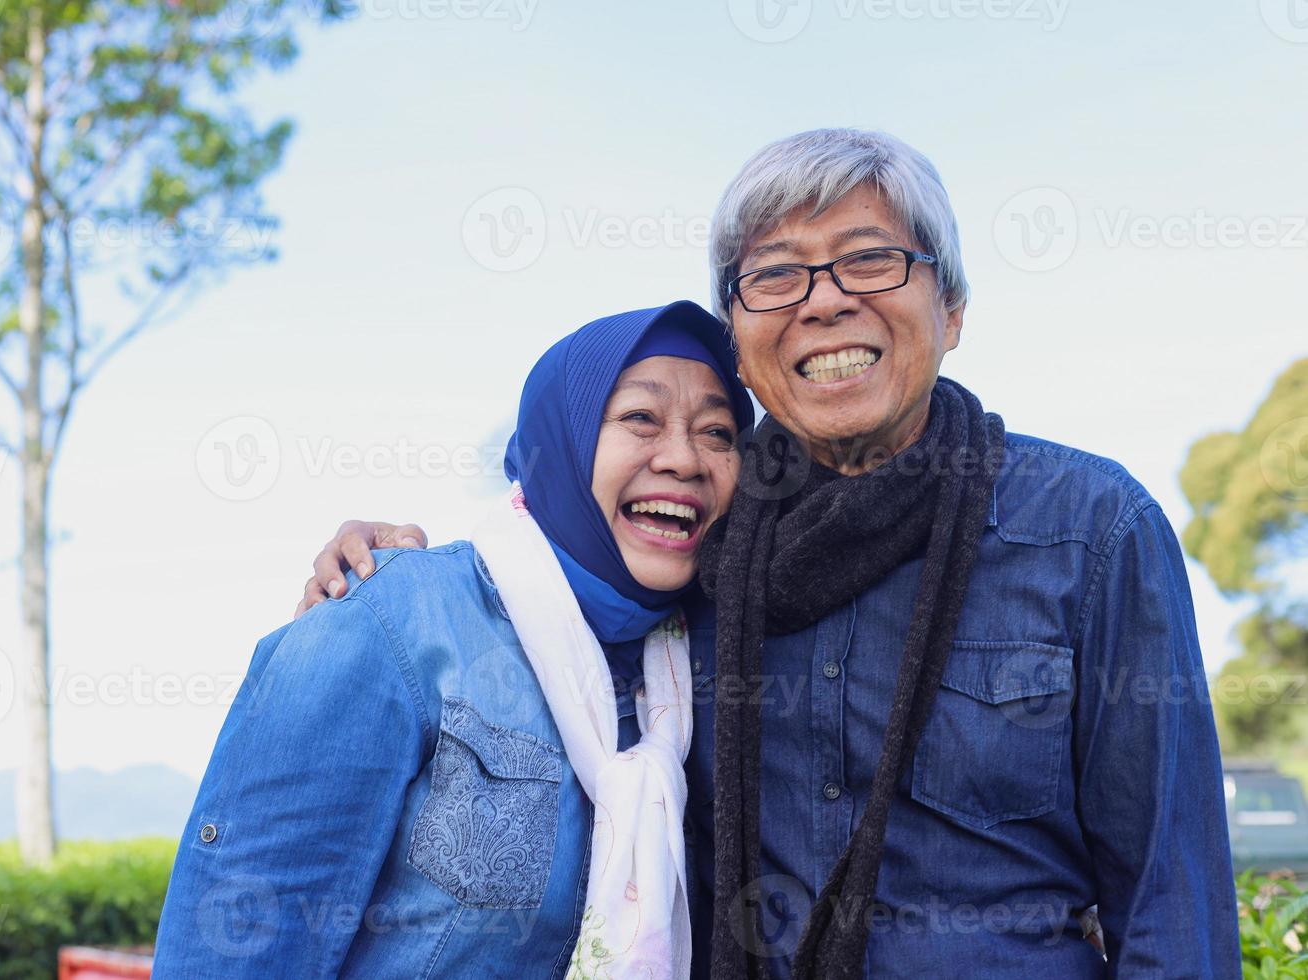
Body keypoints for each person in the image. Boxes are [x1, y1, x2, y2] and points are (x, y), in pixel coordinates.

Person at [302, 129, 1241, 978]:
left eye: (871, 261)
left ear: (951, 309)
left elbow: (1173, 902)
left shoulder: (1088, 527)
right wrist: (400, 576)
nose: (825, 302)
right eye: (777, 275)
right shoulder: (697, 536)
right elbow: (543, 585)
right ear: (742, 348)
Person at [151, 301, 753, 978]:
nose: (684, 458)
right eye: (640, 418)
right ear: (562, 440)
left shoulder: (711, 662)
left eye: (719, 433)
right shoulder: (392, 623)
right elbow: (239, 946)